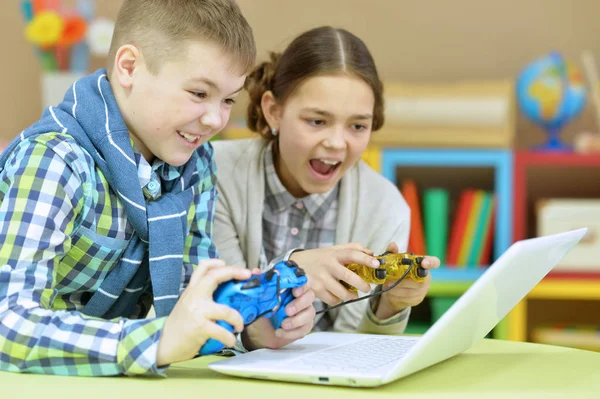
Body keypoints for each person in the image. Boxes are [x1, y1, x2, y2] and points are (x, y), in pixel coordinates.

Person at [0, 0, 314, 377]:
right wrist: (157, 341)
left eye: (228, 99)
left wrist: (249, 329)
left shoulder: (195, 164)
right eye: (199, 93)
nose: (215, 118)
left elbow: (190, 299)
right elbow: (7, 323)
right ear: (129, 67)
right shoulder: (54, 160)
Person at [213, 26, 440, 346]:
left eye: (358, 125)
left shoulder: (386, 206)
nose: (336, 143)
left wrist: (389, 305)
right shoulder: (215, 174)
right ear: (273, 111)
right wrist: (291, 273)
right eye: (317, 121)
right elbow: (215, 316)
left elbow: (361, 353)